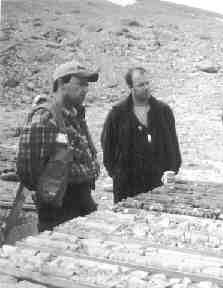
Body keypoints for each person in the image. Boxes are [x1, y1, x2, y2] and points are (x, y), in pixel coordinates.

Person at [16, 61, 100, 232]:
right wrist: (49, 193)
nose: (85, 90)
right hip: (58, 209)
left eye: (87, 85)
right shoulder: (45, 117)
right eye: (80, 84)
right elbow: (28, 170)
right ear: (61, 83)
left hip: (81, 199)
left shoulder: (74, 114)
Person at [101, 67, 181, 203]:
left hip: (157, 184)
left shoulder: (163, 111)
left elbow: (173, 145)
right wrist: (117, 175)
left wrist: (172, 169)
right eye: (140, 85)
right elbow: (107, 146)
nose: (146, 88)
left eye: (147, 83)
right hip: (126, 186)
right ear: (131, 87)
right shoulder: (117, 114)